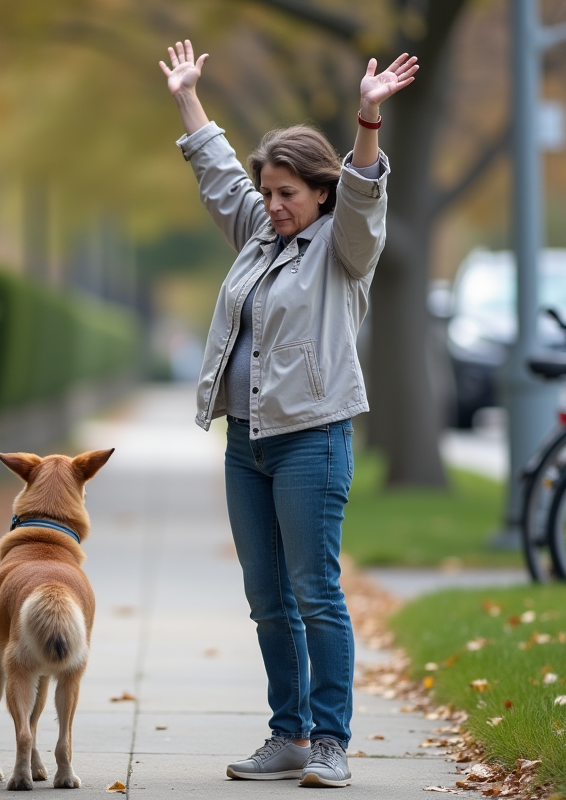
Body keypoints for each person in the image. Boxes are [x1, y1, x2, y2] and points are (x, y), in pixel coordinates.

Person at [159, 40, 418, 788]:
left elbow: (366, 195)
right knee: (267, 599)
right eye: (267, 192)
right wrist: (187, 97)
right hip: (248, 444)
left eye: (288, 194)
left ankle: (331, 742)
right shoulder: (257, 237)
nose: (272, 205)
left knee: (316, 593)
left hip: (312, 442)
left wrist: (367, 119)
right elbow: (215, 175)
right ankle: (289, 736)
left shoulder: (344, 246)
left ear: (320, 194)